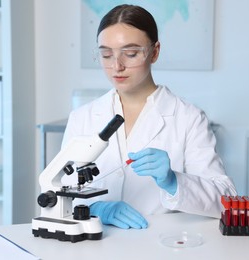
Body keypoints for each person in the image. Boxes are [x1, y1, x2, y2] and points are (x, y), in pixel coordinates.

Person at [62, 4, 237, 229]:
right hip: (96, 244)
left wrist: (175, 182)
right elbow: (57, 192)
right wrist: (95, 209)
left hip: (161, 245)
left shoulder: (188, 118)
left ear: (154, 52)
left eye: (131, 54)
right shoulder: (82, 117)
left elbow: (226, 200)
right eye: (106, 54)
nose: (117, 66)